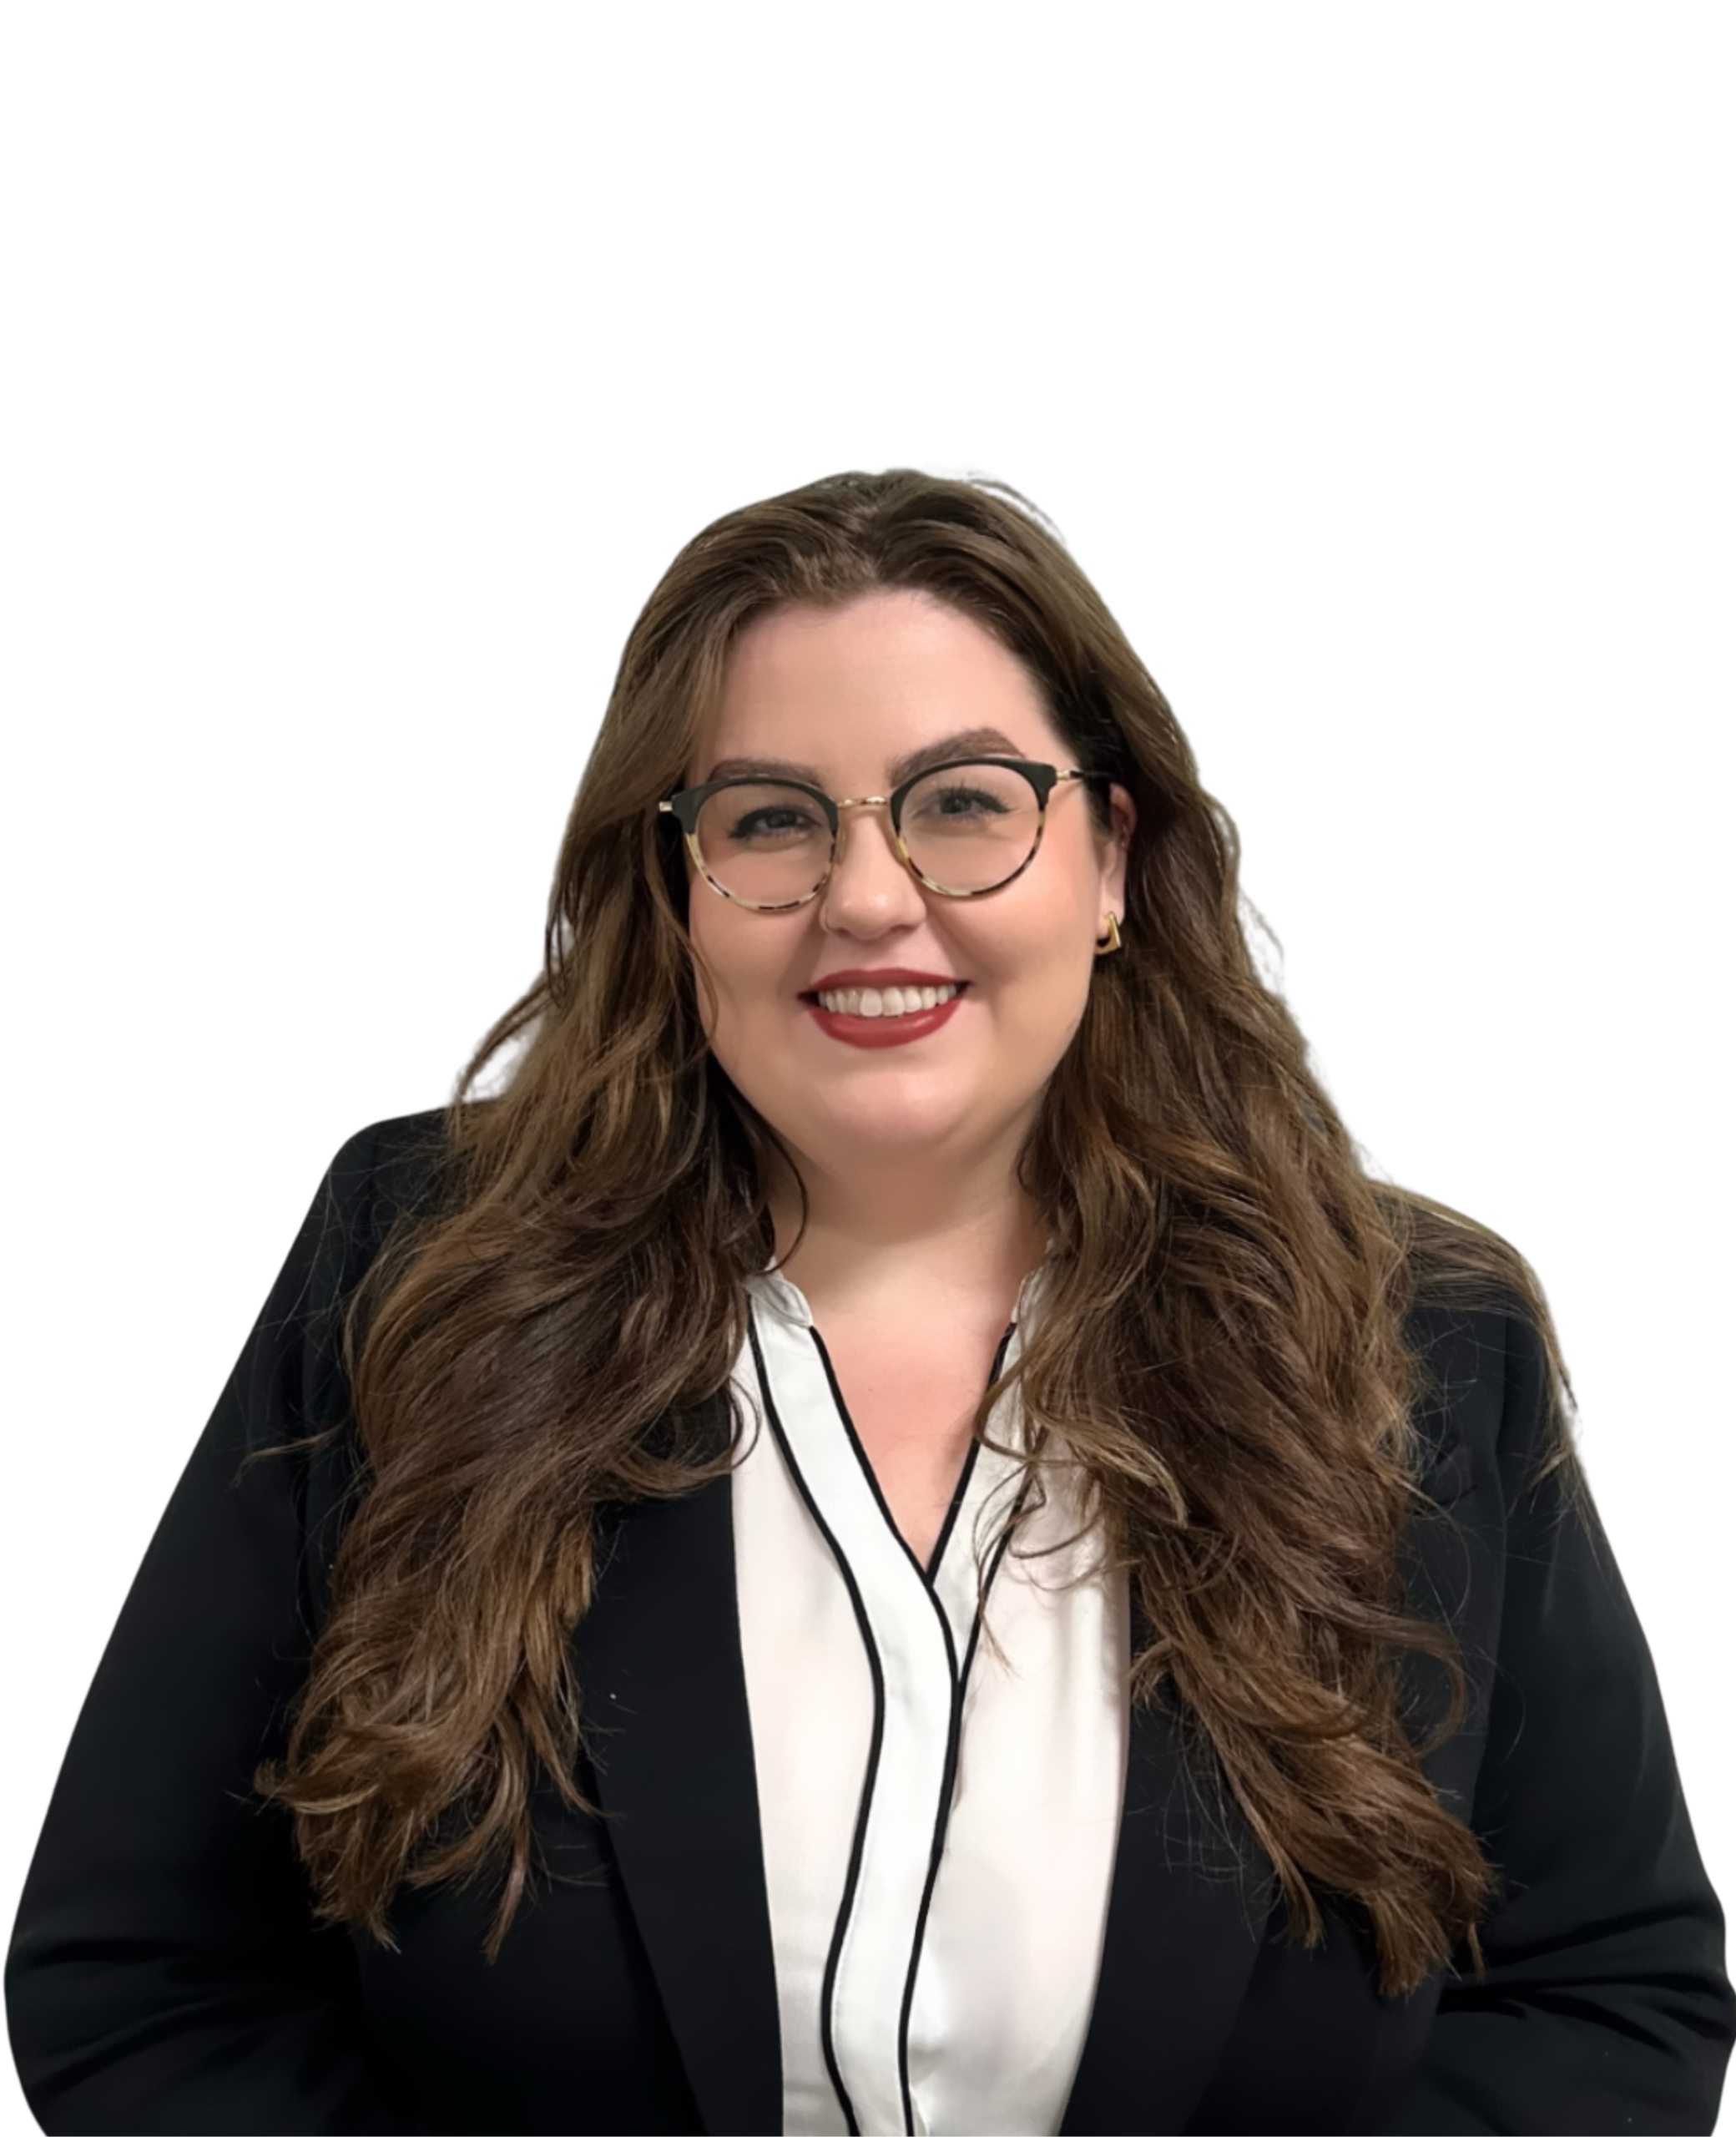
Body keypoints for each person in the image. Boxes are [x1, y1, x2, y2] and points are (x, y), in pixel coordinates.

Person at [7, 465, 1731, 2134]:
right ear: (677, 890)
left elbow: (1605, 1992)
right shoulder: (412, 1272)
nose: (866, 897)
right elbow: (144, 1983)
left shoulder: (1425, 1341)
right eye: (768, 818)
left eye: (963, 799)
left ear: (1112, 857)